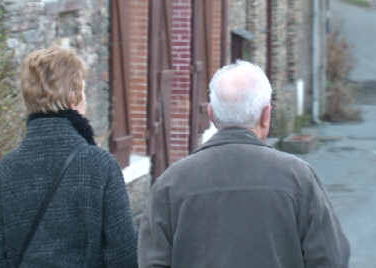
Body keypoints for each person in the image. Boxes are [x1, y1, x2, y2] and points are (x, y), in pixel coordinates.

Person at [138, 60, 350, 268]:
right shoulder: (298, 178)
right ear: (266, 115)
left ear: (211, 114)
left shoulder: (171, 182)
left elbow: (152, 261)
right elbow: (331, 259)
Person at [0, 47, 137, 267]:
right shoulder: (100, 165)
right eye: (83, 91)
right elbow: (123, 252)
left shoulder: (9, 167)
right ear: (73, 98)